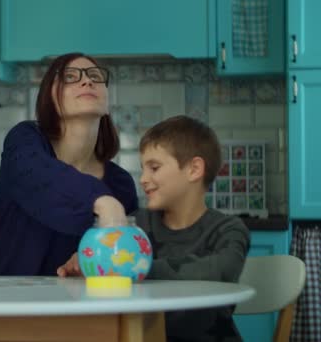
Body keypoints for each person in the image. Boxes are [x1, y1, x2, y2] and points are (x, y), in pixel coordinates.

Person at [58, 115, 251, 341]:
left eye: (154, 167)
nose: (143, 179)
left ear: (194, 169)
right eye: (143, 168)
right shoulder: (135, 226)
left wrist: (131, 268)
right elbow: (106, 262)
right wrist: (87, 262)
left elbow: (220, 271)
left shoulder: (228, 229)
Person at [0, 52, 139, 276]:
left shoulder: (120, 183)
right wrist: (103, 202)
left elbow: (124, 259)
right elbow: (39, 176)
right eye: (71, 77)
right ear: (51, 98)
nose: (87, 81)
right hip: (11, 304)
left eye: (95, 76)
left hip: (86, 305)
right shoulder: (25, 140)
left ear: (107, 103)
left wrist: (89, 258)